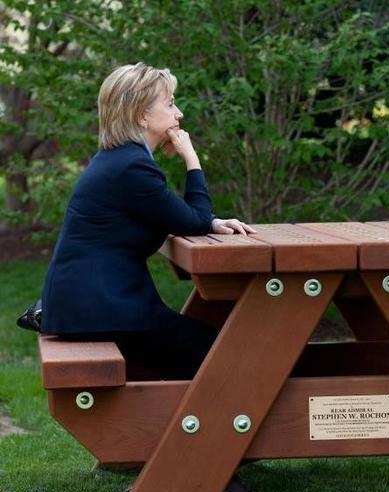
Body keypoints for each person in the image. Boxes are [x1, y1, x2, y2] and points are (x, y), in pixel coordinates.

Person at [40, 62, 256, 381]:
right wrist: (191, 158)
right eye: (169, 104)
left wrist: (208, 221)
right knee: (222, 352)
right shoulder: (132, 168)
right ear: (142, 116)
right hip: (100, 313)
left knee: (212, 345)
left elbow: (186, 218)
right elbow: (194, 220)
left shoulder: (121, 160)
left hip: (88, 308)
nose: (178, 113)